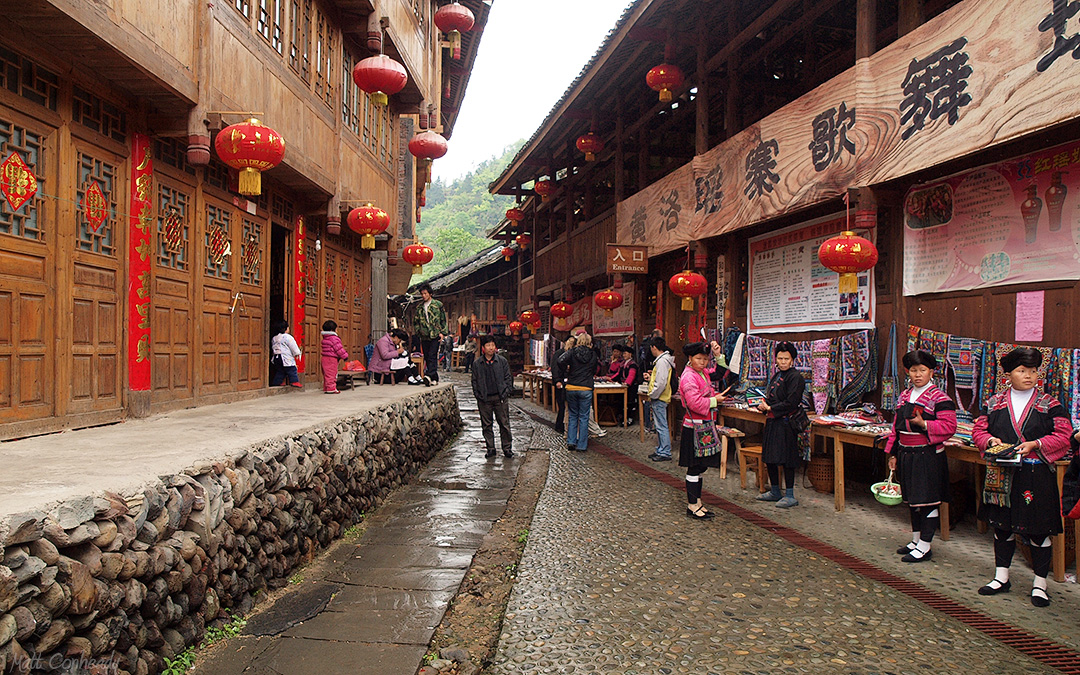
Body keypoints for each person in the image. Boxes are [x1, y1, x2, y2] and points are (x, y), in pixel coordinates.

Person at [973, 347, 1072, 607]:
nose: (1029, 376)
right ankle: (1001, 577)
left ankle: (1040, 584)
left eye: (1033, 371)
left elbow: (1064, 435)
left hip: (1035, 475)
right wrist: (990, 440)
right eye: (1021, 371)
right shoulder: (994, 403)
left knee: (1038, 531)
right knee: (1001, 527)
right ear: (1008, 375)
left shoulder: (1050, 404)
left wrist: (1036, 444)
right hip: (1001, 474)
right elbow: (978, 431)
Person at [883, 350, 957, 563]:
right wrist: (893, 453)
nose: (918, 375)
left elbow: (950, 426)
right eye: (913, 370)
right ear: (908, 372)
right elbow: (896, 427)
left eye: (922, 370)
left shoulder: (940, 398)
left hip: (927, 455)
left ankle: (925, 546)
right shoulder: (904, 396)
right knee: (913, 501)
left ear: (931, 372)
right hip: (906, 453)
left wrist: (924, 424)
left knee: (927, 502)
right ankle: (916, 541)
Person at [678, 341, 728, 519]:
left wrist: (718, 355)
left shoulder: (702, 372)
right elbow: (695, 403)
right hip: (694, 428)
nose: (703, 362)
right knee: (693, 467)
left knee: (699, 468)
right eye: (699, 358)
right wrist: (715, 401)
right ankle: (692, 505)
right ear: (690, 358)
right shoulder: (689, 377)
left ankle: (697, 502)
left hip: (704, 426)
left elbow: (720, 373)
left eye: (706, 359)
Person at [756, 341, 806, 508]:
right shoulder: (776, 376)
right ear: (775, 359)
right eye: (780, 358)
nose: (783, 362)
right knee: (770, 457)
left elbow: (792, 402)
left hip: (786, 424)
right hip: (772, 421)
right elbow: (771, 396)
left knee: (787, 459)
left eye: (786, 358)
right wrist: (763, 405)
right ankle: (775, 490)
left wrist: (771, 407)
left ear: (792, 360)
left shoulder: (796, 378)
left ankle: (790, 494)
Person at [471, 335, 514, 459]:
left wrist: (506, 392)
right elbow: (474, 381)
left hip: (500, 397)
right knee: (486, 425)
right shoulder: (477, 363)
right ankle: (490, 448)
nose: (491, 348)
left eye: (493, 345)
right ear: (483, 348)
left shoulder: (502, 361)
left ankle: (507, 448)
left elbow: (508, 377)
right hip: (484, 398)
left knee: (504, 423)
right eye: (488, 345)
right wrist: (478, 395)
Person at [558, 331, 598, 452]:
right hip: (586, 387)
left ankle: (571, 441)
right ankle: (582, 445)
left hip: (572, 387)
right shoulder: (593, 354)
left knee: (573, 415)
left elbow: (560, 360)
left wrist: (567, 368)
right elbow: (596, 369)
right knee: (584, 417)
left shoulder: (572, 352)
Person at [646, 336, 676, 462]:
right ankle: (661, 448)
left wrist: (653, 394)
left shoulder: (662, 362)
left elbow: (661, 382)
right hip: (661, 396)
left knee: (661, 425)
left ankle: (665, 451)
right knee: (659, 425)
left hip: (660, 397)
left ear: (654, 347)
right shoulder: (664, 360)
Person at [415, 283, 448, 384]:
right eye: (422, 294)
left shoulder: (437, 305)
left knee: (432, 355)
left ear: (430, 294)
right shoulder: (419, 308)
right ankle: (434, 378)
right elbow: (416, 322)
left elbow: (443, 319)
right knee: (426, 355)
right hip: (424, 335)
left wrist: (443, 333)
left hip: (435, 334)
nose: (424, 296)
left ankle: (429, 375)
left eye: (425, 293)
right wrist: (419, 332)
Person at [269, 320, 303, 388]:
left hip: (276, 357)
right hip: (285, 357)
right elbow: (293, 346)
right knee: (292, 369)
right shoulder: (287, 337)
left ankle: (277, 382)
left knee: (280, 371)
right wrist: (297, 353)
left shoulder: (274, 338)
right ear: (285, 328)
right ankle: (294, 381)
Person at [320, 320, 349, 394]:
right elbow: (339, 349)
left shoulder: (325, 338)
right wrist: (345, 356)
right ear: (333, 330)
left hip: (324, 358)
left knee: (327, 374)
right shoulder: (334, 338)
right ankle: (331, 388)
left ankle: (326, 387)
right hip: (331, 359)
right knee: (331, 374)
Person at [551, 335, 572, 434]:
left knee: (566, 406)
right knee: (562, 405)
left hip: (569, 382)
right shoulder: (559, 354)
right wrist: (557, 380)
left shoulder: (572, 353)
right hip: (561, 382)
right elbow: (555, 368)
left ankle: (564, 426)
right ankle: (559, 426)